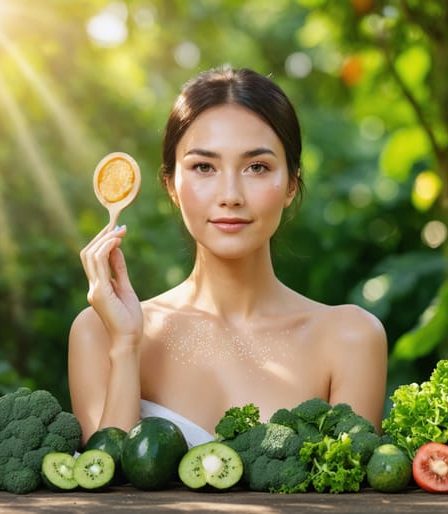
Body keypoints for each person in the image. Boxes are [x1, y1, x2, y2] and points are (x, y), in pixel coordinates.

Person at [68, 67, 388, 447]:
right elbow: (102, 489)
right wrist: (125, 345)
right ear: (171, 184)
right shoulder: (98, 332)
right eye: (204, 167)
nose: (230, 194)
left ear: (291, 184)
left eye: (257, 167)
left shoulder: (349, 339)